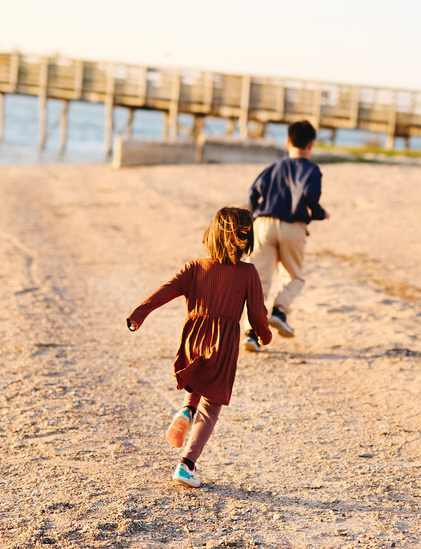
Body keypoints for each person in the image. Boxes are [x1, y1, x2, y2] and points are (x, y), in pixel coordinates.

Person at [127, 206, 272, 488]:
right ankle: (187, 465)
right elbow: (257, 314)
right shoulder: (248, 273)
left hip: (193, 336)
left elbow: (166, 289)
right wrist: (263, 336)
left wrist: (139, 313)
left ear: (212, 235)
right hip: (224, 342)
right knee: (213, 406)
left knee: (198, 377)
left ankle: (186, 411)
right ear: (247, 240)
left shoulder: (195, 267)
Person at [244, 119, 329, 352]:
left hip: (263, 224)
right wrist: (320, 213)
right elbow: (311, 196)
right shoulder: (312, 170)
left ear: (287, 141)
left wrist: (250, 220)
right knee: (294, 276)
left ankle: (252, 334)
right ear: (312, 144)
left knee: (259, 280)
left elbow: (252, 194)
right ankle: (279, 312)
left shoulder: (273, 168)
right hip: (294, 226)